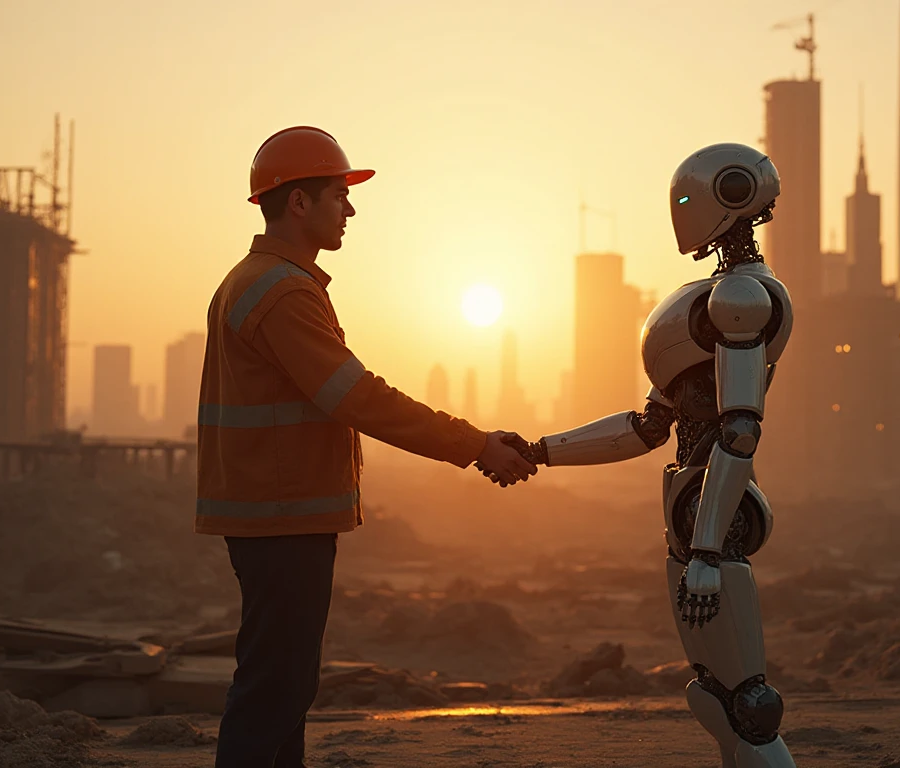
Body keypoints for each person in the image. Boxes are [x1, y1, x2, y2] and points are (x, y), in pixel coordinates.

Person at [196, 125, 537, 768]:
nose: (350, 209)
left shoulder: (260, 281)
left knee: (284, 684)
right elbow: (356, 397)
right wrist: (474, 445)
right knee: (277, 685)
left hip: (274, 510)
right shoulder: (281, 291)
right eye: (338, 195)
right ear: (299, 203)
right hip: (280, 514)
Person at [484, 144, 798, 767]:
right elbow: (648, 426)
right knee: (714, 695)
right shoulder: (708, 296)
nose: (680, 212)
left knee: (749, 703)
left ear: (731, 194)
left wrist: (709, 548)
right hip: (690, 508)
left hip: (717, 512)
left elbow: (739, 430)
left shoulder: (743, 297)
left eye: (687, 199)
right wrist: (543, 451)